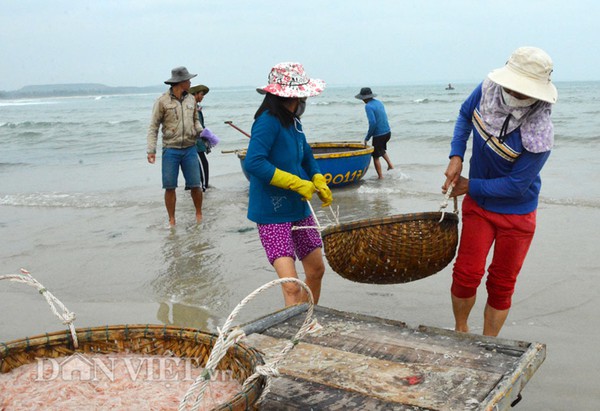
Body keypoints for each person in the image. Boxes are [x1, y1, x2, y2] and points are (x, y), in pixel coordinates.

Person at [442, 47, 558, 337]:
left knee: (501, 283)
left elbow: (516, 185)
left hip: (517, 216)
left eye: (523, 91)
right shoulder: (487, 91)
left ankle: (488, 342)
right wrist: (456, 155)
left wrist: (469, 185)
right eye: (512, 86)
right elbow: (464, 115)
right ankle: (461, 331)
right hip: (479, 207)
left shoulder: (540, 131)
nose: (514, 93)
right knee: (466, 274)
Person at [244, 62, 332, 307]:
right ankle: (294, 334)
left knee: (316, 270)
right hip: (272, 213)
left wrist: (316, 178)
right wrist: (293, 182)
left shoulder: (294, 122)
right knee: (292, 286)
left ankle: (307, 320)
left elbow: (307, 155)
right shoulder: (267, 121)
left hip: (300, 208)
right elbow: (254, 162)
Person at [147, 66, 203, 226]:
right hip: (170, 149)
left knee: (195, 185)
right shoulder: (162, 101)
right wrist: (151, 150)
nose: (191, 82)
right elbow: (153, 126)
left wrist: (203, 132)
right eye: (188, 80)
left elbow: (195, 121)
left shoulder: (191, 99)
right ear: (180, 82)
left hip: (190, 148)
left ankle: (199, 214)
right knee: (170, 186)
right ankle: (172, 220)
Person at [355, 87, 394, 179]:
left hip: (379, 134)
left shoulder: (368, 106)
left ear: (364, 98)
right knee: (380, 149)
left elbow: (373, 123)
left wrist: (367, 137)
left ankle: (380, 177)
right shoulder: (379, 102)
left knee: (375, 156)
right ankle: (390, 165)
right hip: (387, 132)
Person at [189, 84, 211, 191]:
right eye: (201, 94)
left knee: (196, 163)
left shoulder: (196, 107)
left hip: (199, 140)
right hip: (194, 141)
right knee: (201, 163)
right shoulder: (192, 108)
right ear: (195, 94)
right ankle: (204, 186)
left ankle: (194, 186)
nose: (202, 97)